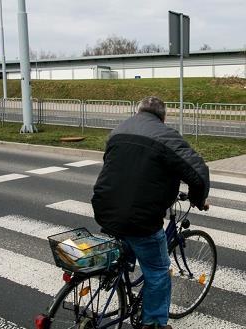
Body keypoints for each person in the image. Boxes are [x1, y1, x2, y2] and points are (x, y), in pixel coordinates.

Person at [91, 96, 210, 329]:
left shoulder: (118, 130)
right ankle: (154, 323)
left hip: (105, 208)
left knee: (125, 246)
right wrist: (198, 199)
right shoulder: (165, 135)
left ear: (137, 111)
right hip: (140, 218)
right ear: (163, 117)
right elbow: (198, 171)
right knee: (158, 270)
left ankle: (118, 277)